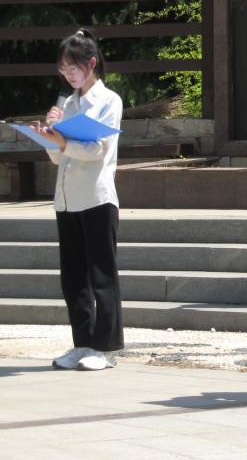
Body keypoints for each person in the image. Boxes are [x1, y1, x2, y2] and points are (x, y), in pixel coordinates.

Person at [31, 30, 124, 372]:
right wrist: (49, 138)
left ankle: (106, 348)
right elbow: (61, 157)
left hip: (96, 197)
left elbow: (97, 149)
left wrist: (63, 141)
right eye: (63, 69)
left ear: (92, 63)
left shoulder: (109, 100)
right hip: (67, 199)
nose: (68, 75)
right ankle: (82, 342)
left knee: (102, 275)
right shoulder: (67, 105)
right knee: (73, 277)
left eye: (73, 68)